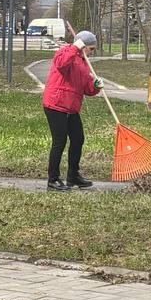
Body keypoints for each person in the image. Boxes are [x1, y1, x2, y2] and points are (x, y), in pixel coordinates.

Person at [41, 29, 103, 192]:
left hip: (71, 107)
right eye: (91, 48)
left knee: (78, 139)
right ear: (82, 45)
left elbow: (86, 89)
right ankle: (53, 180)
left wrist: (95, 86)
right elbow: (62, 65)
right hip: (56, 104)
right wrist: (75, 48)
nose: (92, 52)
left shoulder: (84, 62)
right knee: (59, 141)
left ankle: (73, 176)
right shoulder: (64, 53)